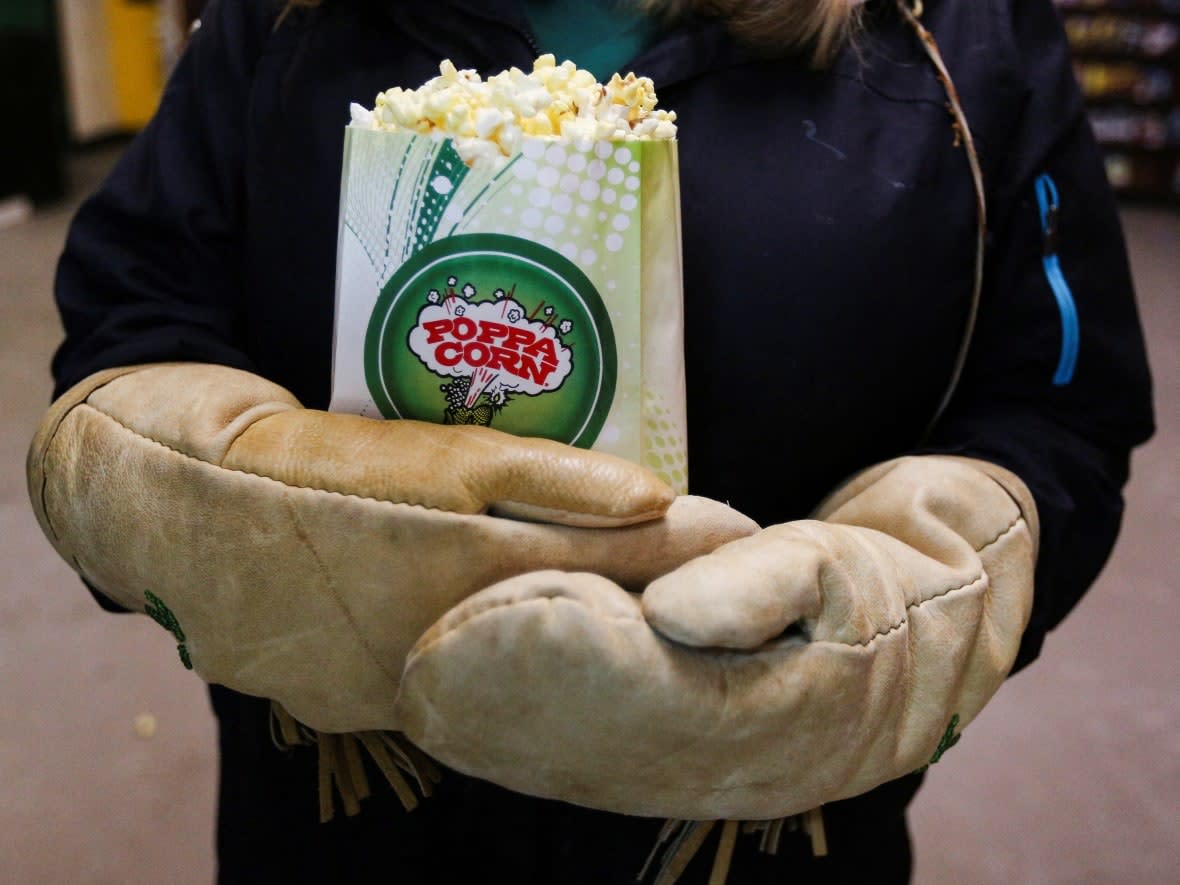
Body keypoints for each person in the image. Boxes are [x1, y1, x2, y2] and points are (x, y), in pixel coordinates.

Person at [28, 0, 1154, 883]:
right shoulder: (283, 20)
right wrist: (179, 489)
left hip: (754, 838)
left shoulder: (955, 32)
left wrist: (918, 597)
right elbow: (138, 308)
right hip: (340, 806)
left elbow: (1055, 401)